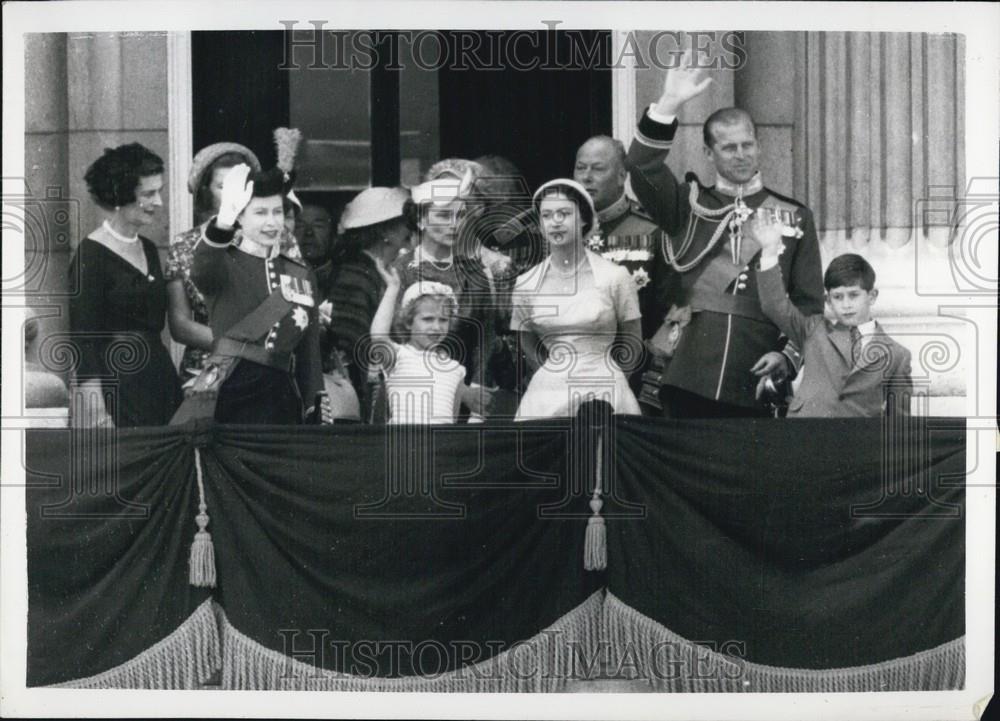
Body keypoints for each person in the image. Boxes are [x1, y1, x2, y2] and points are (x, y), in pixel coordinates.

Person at [626, 49, 824, 418]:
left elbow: (808, 302)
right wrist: (668, 103)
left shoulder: (796, 215)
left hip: (756, 368)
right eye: (728, 147)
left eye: (747, 145)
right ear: (708, 152)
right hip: (690, 369)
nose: (740, 155)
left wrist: (786, 355)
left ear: (759, 146)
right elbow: (639, 167)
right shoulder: (686, 206)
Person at [178, 163, 327, 425]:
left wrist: (313, 404)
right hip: (231, 393)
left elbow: (309, 354)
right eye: (260, 213)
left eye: (277, 212)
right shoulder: (223, 264)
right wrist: (222, 222)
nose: (271, 222)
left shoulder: (300, 274)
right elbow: (201, 267)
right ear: (240, 217)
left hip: (282, 398)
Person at [69, 143, 182, 427]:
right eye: (148, 193)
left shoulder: (149, 248)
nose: (158, 202)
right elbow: (84, 339)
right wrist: (95, 408)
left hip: (159, 382)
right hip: (116, 387)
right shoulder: (91, 254)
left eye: (159, 191)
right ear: (120, 195)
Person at [511, 179, 643, 420]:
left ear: (584, 219)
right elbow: (525, 339)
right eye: (547, 215)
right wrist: (550, 374)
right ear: (540, 225)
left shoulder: (615, 276)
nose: (556, 222)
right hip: (548, 393)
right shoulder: (526, 283)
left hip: (605, 387)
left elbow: (633, 339)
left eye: (565, 213)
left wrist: (615, 380)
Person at [753, 223, 913, 416]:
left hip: (858, 443)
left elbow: (899, 423)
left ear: (872, 296)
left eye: (853, 295)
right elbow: (774, 305)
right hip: (805, 436)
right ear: (828, 301)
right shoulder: (813, 329)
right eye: (838, 297)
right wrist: (769, 251)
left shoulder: (897, 355)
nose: (846, 305)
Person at [573, 134, 676, 414]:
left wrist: (651, 385)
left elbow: (669, 316)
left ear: (621, 176)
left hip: (630, 378)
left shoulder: (651, 232)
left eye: (598, 168)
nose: (587, 177)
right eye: (580, 168)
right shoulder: (554, 232)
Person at [395, 170, 494, 418]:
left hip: (464, 397)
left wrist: (476, 398)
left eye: (460, 215)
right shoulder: (400, 270)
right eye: (443, 215)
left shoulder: (474, 272)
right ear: (421, 221)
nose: (454, 224)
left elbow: (485, 339)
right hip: (407, 390)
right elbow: (394, 338)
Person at [165, 142, 262, 386]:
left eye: (239, 186)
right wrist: (237, 345)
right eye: (223, 186)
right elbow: (180, 325)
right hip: (203, 374)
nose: (233, 194)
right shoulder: (184, 245)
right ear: (207, 190)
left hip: (265, 367)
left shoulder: (272, 237)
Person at [323, 187, 413, 420]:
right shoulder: (357, 274)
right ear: (386, 230)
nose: (410, 235)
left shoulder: (375, 271)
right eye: (406, 224)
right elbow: (347, 344)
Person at [369, 273, 467, 424]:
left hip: (439, 445)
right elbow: (378, 337)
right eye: (428, 319)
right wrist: (392, 288)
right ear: (408, 322)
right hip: (405, 443)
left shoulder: (455, 369)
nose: (436, 327)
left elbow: (452, 422)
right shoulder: (399, 356)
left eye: (443, 320)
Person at [294, 202, 336, 297]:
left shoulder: (347, 278)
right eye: (300, 226)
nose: (309, 233)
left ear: (334, 235)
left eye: (318, 226)